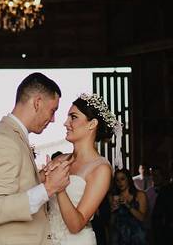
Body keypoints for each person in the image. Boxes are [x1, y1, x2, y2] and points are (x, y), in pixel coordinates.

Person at [0, 72, 71, 245]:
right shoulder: (4, 142)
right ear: (37, 102)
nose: (53, 119)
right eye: (53, 110)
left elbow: (14, 187)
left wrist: (41, 178)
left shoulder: (12, 137)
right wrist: (48, 188)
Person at [49, 92, 115, 245]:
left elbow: (76, 225)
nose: (66, 123)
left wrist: (59, 188)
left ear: (92, 124)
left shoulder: (100, 169)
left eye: (73, 117)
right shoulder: (59, 160)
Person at [110, 168, 149, 245]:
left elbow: (142, 218)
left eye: (122, 179)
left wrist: (128, 206)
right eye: (117, 180)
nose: (120, 183)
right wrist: (113, 211)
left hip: (137, 236)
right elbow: (111, 223)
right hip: (119, 237)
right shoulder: (114, 197)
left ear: (128, 179)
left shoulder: (140, 195)